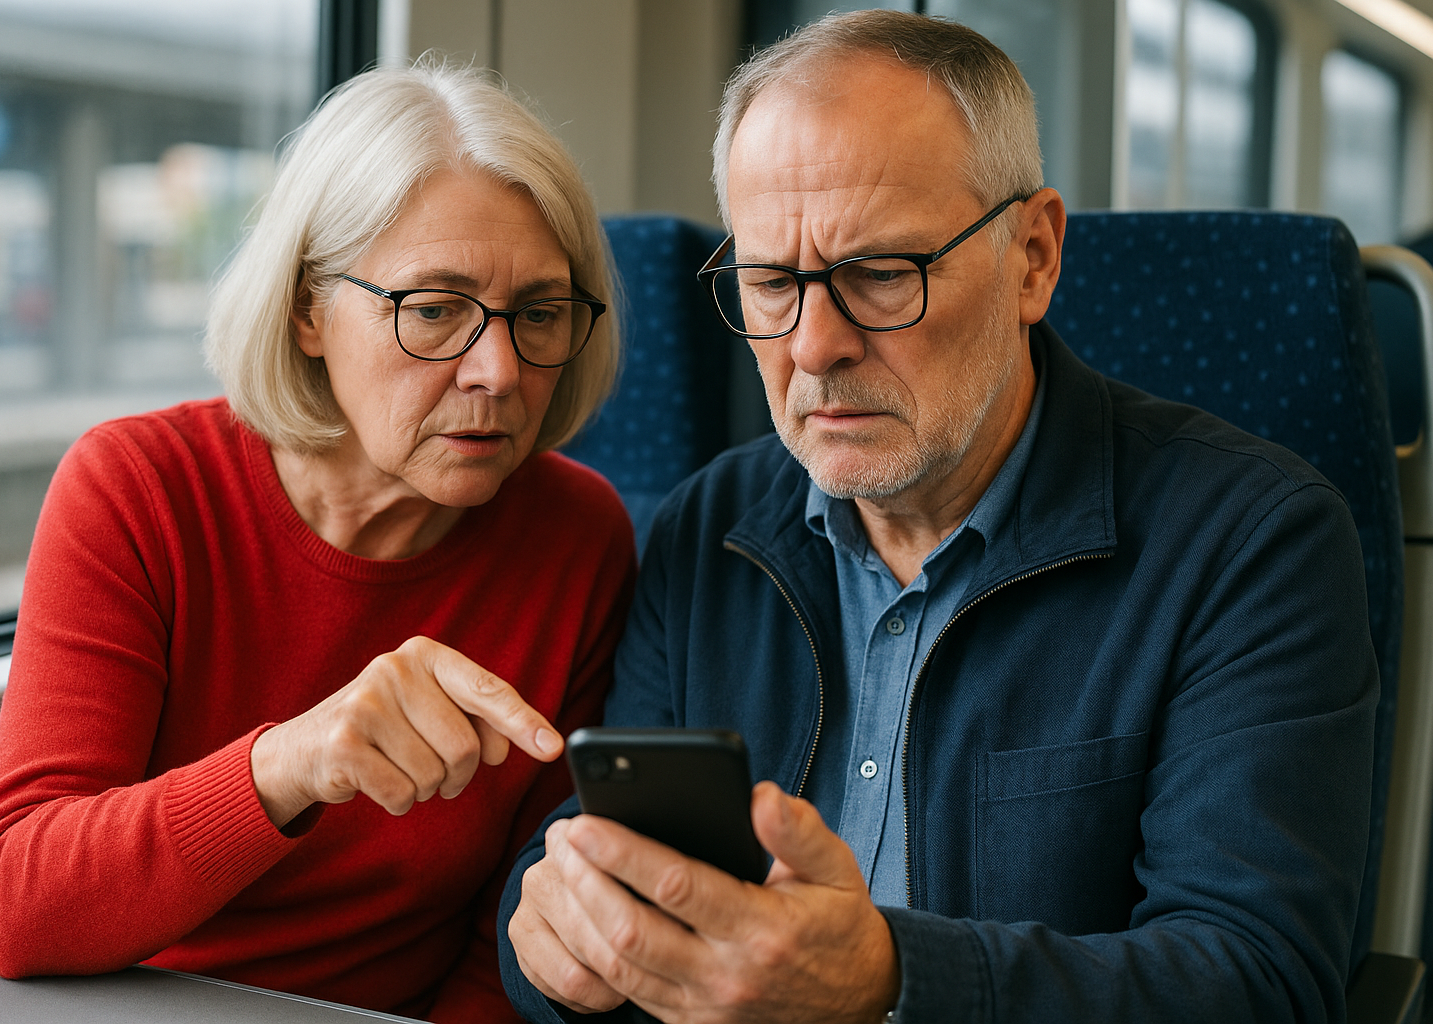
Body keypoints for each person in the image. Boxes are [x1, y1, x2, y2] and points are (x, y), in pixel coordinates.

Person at [499, 11, 1375, 1024]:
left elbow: (1257, 980)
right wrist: (554, 940)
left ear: (1033, 258)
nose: (813, 346)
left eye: (881, 275)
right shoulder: (709, 526)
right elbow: (586, 862)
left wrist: (891, 979)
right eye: (772, 282)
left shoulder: (1251, 543)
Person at [0, 64, 636, 1024]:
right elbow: (15, 903)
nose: (497, 370)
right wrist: (291, 763)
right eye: (434, 310)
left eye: (538, 314)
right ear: (308, 309)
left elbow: (513, 938)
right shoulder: (139, 489)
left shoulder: (579, 536)